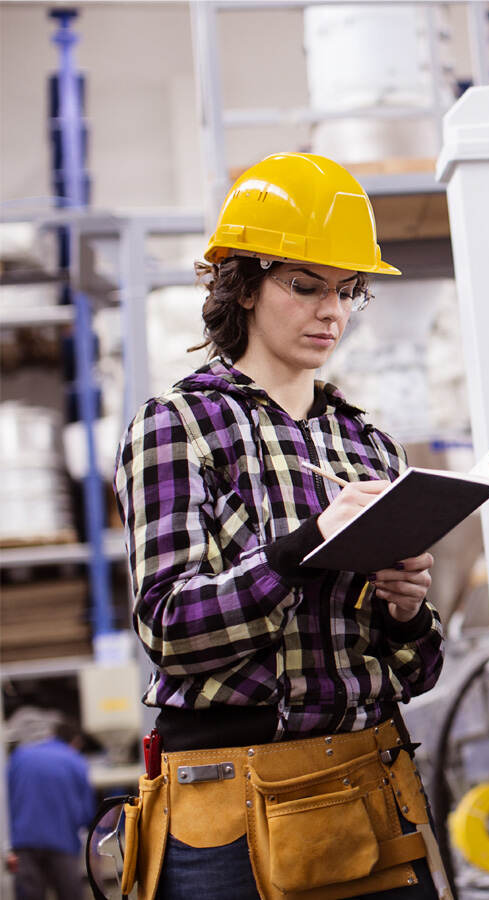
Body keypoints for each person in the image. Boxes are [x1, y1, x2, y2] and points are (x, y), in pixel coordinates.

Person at [113, 153, 448, 900]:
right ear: (242, 283)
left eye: (348, 291)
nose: (331, 311)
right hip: (227, 808)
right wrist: (304, 550)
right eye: (305, 286)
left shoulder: (370, 446)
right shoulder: (176, 428)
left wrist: (405, 611)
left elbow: (418, 673)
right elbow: (171, 629)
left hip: (372, 782)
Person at [6, 717, 95, 900]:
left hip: (25, 843)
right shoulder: (75, 760)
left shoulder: (20, 756)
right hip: (63, 844)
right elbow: (87, 812)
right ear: (76, 741)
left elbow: (8, 800)